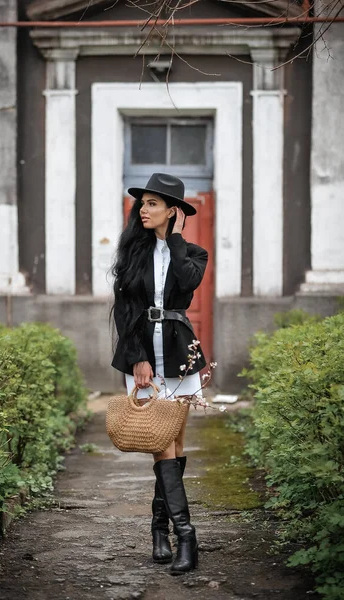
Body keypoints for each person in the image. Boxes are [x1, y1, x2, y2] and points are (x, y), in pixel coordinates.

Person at [111, 172, 208, 575]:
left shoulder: (193, 254)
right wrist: (136, 357)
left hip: (179, 352)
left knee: (176, 445)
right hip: (143, 355)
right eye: (143, 203)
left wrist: (176, 239)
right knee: (160, 444)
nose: (144, 209)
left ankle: (158, 530)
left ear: (173, 211)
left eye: (153, 203)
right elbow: (125, 310)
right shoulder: (132, 252)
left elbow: (188, 284)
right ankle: (187, 537)